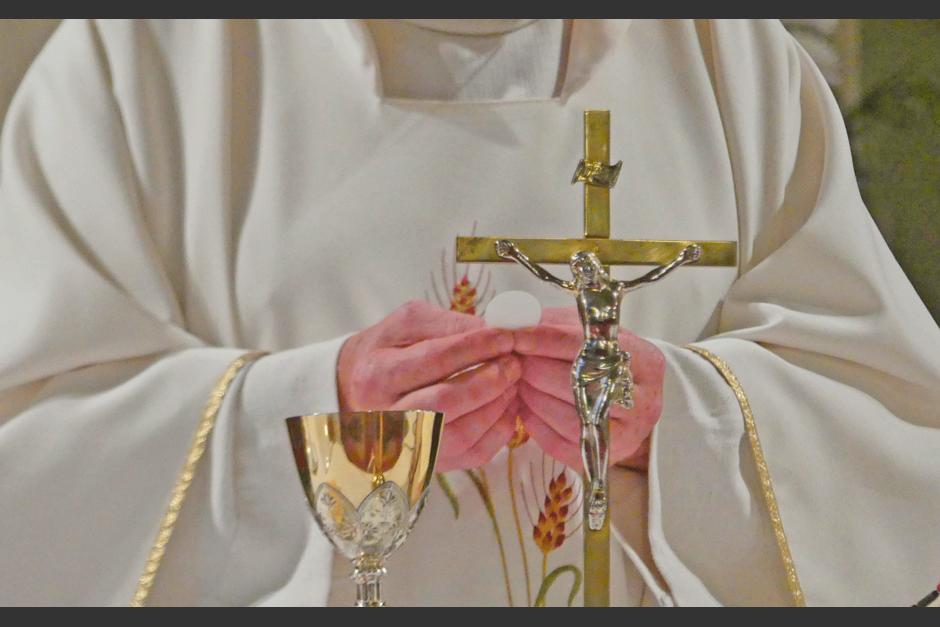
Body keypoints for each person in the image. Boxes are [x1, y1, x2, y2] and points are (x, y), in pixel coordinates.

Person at [1, 19, 938, 606]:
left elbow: (897, 428)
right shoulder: (140, 58)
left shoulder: (732, 55)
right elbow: (32, 452)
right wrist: (312, 418)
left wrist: (681, 422)